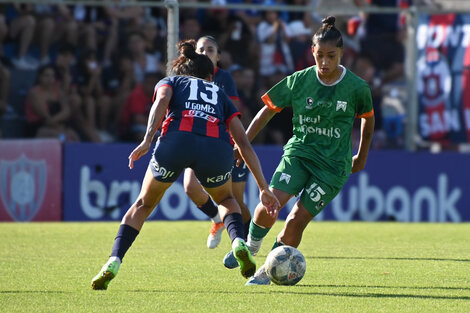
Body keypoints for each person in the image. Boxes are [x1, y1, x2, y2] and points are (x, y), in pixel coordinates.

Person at [91, 40, 280, 290]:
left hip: (176, 142)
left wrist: (148, 139)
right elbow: (243, 143)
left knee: (143, 204)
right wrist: (263, 187)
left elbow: (161, 102)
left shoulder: (171, 81)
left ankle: (113, 260)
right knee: (226, 201)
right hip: (215, 148)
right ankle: (237, 242)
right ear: (210, 76)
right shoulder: (219, 93)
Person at [223, 16, 375, 285]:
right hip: (300, 155)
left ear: (342, 53)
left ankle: (267, 271)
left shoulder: (357, 87)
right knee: (269, 204)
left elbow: (368, 118)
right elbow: (267, 111)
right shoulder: (299, 81)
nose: (325, 62)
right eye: (320, 56)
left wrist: (360, 157)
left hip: (332, 168)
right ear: (312, 53)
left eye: (331, 56)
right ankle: (250, 248)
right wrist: (242, 141)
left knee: (296, 219)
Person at [183, 36, 253, 250]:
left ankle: (250, 242)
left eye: (210, 49)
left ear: (219, 56)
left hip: (225, 143)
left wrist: (236, 145)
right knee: (189, 186)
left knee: (236, 201)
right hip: (197, 141)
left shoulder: (224, 78)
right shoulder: (187, 78)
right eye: (201, 49)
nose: (205, 53)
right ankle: (217, 219)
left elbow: (232, 113)